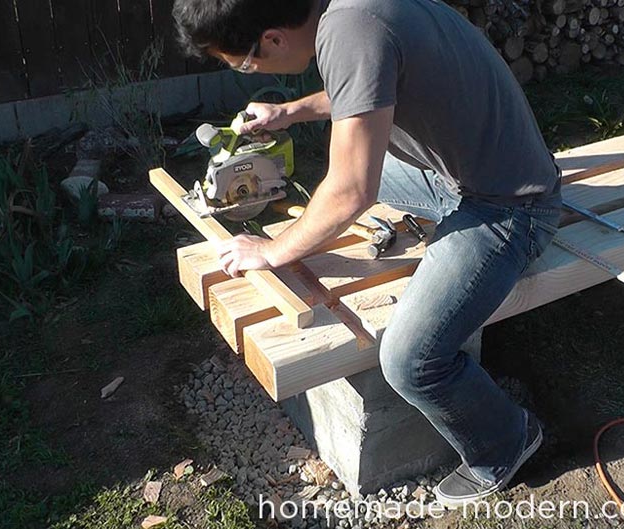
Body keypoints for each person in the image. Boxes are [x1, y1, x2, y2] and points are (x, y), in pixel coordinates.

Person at [173, 0, 562, 508]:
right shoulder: (349, 11)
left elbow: (353, 189)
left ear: (270, 39)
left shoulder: (350, 31)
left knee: (409, 360)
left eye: (243, 63)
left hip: (512, 205)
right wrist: (290, 112)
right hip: (461, 171)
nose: (249, 72)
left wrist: (271, 251)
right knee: (333, 191)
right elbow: (366, 83)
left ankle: (505, 441)